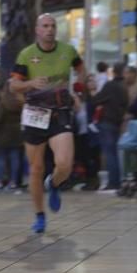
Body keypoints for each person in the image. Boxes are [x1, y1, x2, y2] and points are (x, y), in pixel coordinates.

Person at [9, 14, 86, 234]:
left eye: (53, 26)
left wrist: (78, 91)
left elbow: (81, 70)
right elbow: (14, 85)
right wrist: (30, 83)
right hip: (35, 114)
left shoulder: (68, 51)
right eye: (45, 26)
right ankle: (40, 216)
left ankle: (53, 184)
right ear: (37, 30)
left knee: (64, 164)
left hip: (60, 111)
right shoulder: (26, 55)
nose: (50, 29)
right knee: (36, 168)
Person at [92, 62, 129, 194]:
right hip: (117, 122)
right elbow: (125, 105)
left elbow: (96, 99)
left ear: (114, 72)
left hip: (107, 121)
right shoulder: (123, 86)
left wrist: (93, 93)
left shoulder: (111, 85)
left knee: (109, 153)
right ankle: (116, 182)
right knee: (113, 152)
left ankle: (113, 183)